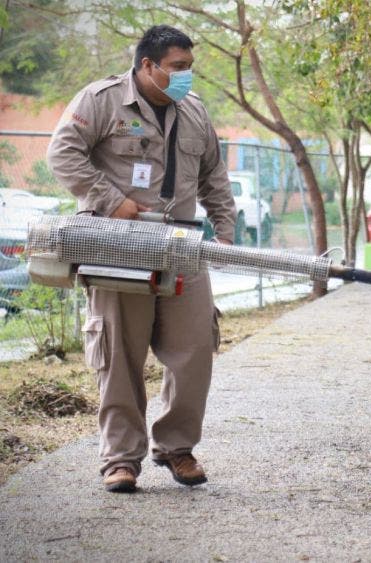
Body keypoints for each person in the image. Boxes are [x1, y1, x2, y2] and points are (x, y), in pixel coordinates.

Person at [47, 25, 236, 493]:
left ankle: (176, 447)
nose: (186, 77)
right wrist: (110, 199)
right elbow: (62, 153)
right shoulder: (102, 99)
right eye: (178, 68)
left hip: (182, 247)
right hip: (118, 246)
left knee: (194, 351)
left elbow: (215, 175)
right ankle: (120, 459)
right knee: (120, 355)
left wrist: (226, 233)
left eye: (190, 68)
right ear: (148, 66)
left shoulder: (193, 111)